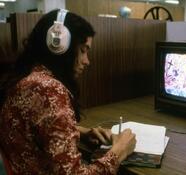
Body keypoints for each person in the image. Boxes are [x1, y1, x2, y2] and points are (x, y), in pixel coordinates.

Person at [0, 9, 136, 175]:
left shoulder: (29, 78)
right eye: (83, 50)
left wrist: (79, 131)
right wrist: (120, 150)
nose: (87, 61)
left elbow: (32, 129)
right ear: (59, 45)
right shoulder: (48, 89)